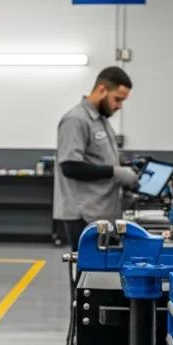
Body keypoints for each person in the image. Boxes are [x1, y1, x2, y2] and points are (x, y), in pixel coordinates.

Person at [52, 66, 137, 249]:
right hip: (84, 216)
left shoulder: (101, 120)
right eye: (117, 99)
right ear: (102, 90)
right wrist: (115, 172)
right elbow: (70, 166)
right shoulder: (76, 120)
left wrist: (124, 166)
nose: (119, 106)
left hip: (102, 213)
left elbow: (98, 158)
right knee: (88, 275)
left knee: (102, 275)